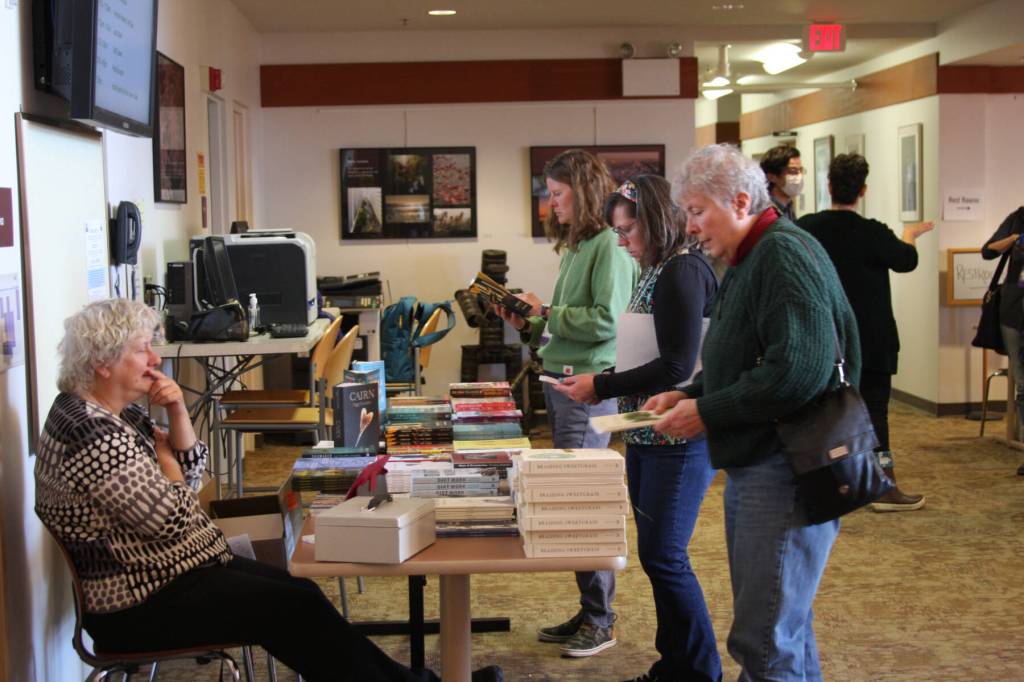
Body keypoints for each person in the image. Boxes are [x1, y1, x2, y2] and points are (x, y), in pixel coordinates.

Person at [34, 298, 502, 682]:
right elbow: (177, 514)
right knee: (293, 606)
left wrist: (178, 413)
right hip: (140, 603)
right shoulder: (93, 436)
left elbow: (192, 476)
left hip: (177, 570)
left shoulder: (115, 413)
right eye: (142, 349)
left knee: (300, 593)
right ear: (101, 362)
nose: (156, 359)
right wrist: (165, 463)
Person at [644, 144, 859, 681]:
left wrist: (707, 411)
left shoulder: (781, 255)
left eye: (697, 212)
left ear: (740, 201)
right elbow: (749, 355)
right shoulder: (751, 255)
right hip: (767, 460)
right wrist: (692, 392)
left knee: (764, 640)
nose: (690, 227)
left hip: (786, 467)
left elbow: (797, 372)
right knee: (784, 630)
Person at [552, 175, 721, 682]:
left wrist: (600, 385)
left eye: (627, 231)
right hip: (647, 431)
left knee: (666, 557)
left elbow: (676, 366)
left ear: (656, 222)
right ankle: (675, 664)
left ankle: (698, 669)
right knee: (654, 556)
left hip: (677, 433)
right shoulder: (655, 268)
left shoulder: (683, 271)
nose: (621, 242)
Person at [494, 149, 638, 658]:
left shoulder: (609, 246)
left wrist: (548, 312)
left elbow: (605, 321)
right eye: (548, 195)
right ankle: (590, 608)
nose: (549, 204)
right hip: (563, 381)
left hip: (586, 387)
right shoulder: (578, 245)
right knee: (571, 498)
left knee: (581, 504)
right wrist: (527, 321)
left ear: (584, 191)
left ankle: (600, 620)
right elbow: (560, 323)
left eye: (557, 195)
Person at [797, 153, 932, 511]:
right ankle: (882, 487)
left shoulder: (807, 227)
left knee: (821, 411)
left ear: (828, 187)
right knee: (875, 411)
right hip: (871, 338)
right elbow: (907, 260)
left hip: (823, 337)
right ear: (863, 190)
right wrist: (909, 234)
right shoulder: (873, 232)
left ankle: (826, 486)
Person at [981, 206, 1024, 476]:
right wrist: (1013, 240)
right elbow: (988, 250)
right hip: (1014, 308)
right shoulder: (1018, 217)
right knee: (1022, 381)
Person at [759, 144, 803, 221]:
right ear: (772, 177)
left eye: (801, 170)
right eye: (793, 171)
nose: (799, 176)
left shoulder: (788, 206)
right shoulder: (764, 211)